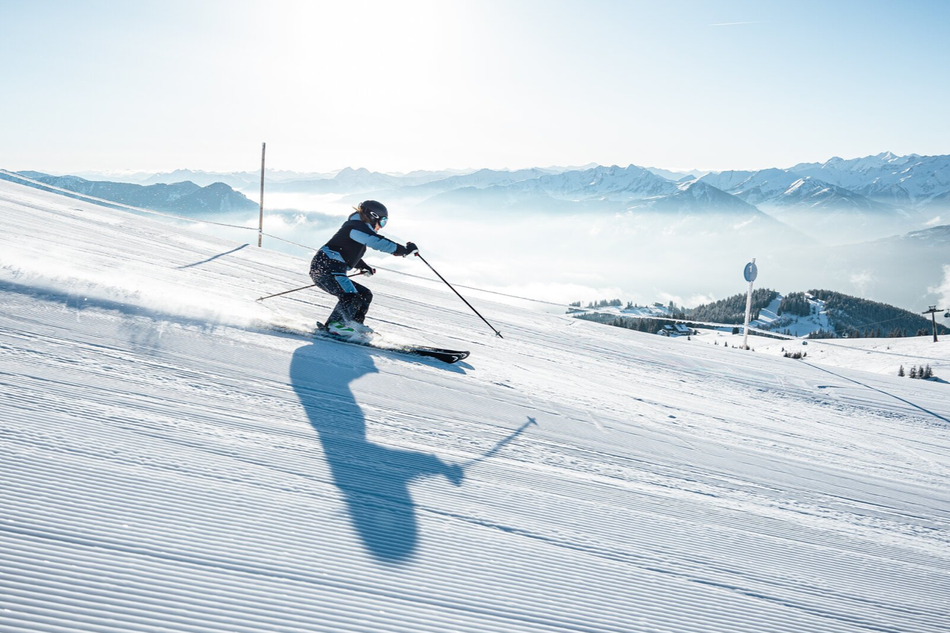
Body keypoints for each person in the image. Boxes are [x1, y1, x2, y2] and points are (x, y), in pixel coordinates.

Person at [310, 200, 417, 336]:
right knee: (350, 296)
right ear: (373, 217)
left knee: (364, 294)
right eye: (383, 221)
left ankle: (354, 323)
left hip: (330, 267)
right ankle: (335, 325)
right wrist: (403, 251)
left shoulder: (357, 228)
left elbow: (347, 252)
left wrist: (363, 266)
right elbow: (377, 242)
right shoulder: (356, 227)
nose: (382, 226)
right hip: (326, 268)